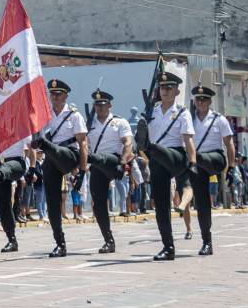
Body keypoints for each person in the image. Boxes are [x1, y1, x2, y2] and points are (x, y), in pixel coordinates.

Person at [135, 71, 197, 261]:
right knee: (161, 205)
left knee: (156, 148)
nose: (165, 91)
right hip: (156, 159)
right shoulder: (150, 112)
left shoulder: (182, 112)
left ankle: (150, 146)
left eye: (169, 88)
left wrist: (192, 162)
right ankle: (168, 247)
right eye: (162, 87)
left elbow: (188, 141)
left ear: (177, 91)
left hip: (175, 155)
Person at [30, 79, 88, 258]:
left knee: (53, 148)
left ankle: (45, 144)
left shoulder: (74, 115)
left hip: (69, 156)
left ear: (65, 96)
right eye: (52, 94)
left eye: (58, 94)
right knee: (52, 203)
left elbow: (83, 143)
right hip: (52, 159)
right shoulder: (45, 116)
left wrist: (83, 171)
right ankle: (60, 243)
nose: (55, 97)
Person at [189, 85, 236, 256]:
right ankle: (206, 242)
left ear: (209, 101)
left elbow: (229, 144)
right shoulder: (189, 119)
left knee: (199, 158)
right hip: (197, 163)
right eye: (197, 99)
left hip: (215, 158)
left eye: (204, 99)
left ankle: (195, 159)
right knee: (202, 204)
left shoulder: (219, 119)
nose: (200, 102)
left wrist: (231, 166)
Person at [85, 89, 134, 253]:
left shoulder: (119, 122)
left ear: (110, 105)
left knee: (103, 159)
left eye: (103, 104)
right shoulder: (89, 124)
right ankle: (108, 240)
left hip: (114, 161)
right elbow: (84, 145)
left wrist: (123, 162)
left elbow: (128, 144)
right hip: (97, 165)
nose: (99, 107)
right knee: (98, 204)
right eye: (97, 104)